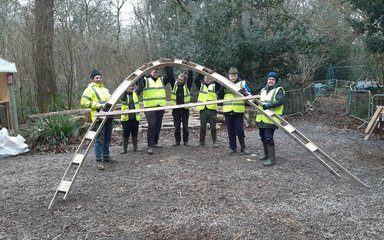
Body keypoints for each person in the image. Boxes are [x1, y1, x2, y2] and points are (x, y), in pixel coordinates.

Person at [81, 69, 114, 170]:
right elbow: (84, 102)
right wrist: (98, 105)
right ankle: (98, 160)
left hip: (109, 116)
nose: (99, 79)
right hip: (98, 117)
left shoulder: (105, 89)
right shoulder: (89, 90)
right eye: (96, 77)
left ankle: (106, 156)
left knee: (107, 137)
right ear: (92, 79)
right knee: (99, 139)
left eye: (100, 77)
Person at [137, 67, 173, 154]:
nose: (156, 72)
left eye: (157, 71)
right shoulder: (145, 80)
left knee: (158, 125)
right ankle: (150, 145)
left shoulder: (162, 79)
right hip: (149, 107)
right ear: (150, 71)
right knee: (152, 124)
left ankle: (155, 142)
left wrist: (167, 66)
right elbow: (137, 81)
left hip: (160, 106)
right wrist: (143, 71)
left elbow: (171, 78)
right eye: (154, 71)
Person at [218, 67, 252, 155]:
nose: (233, 77)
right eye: (231, 75)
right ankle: (232, 147)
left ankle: (243, 147)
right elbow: (220, 97)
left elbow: (250, 95)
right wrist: (222, 88)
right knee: (230, 130)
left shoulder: (242, 83)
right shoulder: (225, 83)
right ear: (228, 76)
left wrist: (245, 93)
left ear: (237, 76)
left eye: (235, 75)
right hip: (228, 110)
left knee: (239, 130)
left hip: (238, 111)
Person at [255, 71, 285, 166]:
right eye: (269, 79)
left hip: (271, 118)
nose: (270, 81)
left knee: (268, 137)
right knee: (263, 136)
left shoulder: (278, 90)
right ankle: (266, 154)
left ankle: (272, 159)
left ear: (275, 81)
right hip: (261, 118)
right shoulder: (263, 90)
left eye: (272, 79)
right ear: (267, 80)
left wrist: (269, 105)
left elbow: (280, 101)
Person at [194, 74, 221, 148]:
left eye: (209, 78)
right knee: (202, 127)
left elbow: (219, 83)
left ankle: (215, 142)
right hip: (203, 109)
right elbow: (196, 80)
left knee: (213, 127)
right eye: (206, 78)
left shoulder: (214, 86)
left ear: (211, 79)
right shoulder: (201, 86)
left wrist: (213, 75)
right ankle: (201, 142)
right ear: (204, 78)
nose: (207, 79)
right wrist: (201, 72)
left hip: (212, 109)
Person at [169, 70, 193, 146]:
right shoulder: (174, 85)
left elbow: (191, 78)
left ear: (184, 81)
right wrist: (168, 67)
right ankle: (177, 141)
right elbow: (170, 76)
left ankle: (186, 141)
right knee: (177, 127)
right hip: (176, 110)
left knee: (185, 126)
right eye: (178, 79)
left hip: (185, 110)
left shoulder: (187, 86)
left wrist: (190, 69)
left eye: (181, 80)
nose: (179, 81)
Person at [120, 84, 142, 154]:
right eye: (130, 86)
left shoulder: (135, 94)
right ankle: (124, 149)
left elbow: (141, 86)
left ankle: (135, 147)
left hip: (135, 118)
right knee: (126, 134)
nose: (131, 88)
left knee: (135, 133)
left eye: (132, 86)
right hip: (126, 119)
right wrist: (125, 91)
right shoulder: (123, 95)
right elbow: (123, 98)